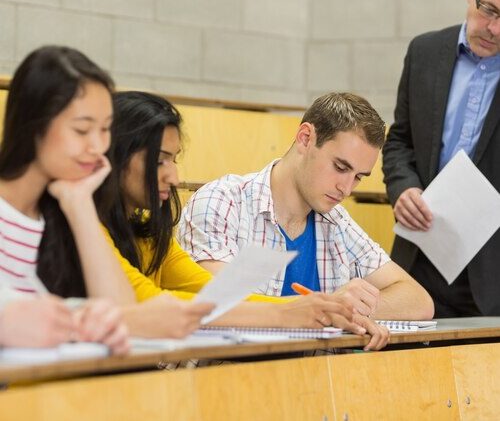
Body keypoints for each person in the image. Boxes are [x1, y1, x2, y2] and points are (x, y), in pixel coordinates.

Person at [101, 91, 388, 350]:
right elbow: (147, 305)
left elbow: (217, 298)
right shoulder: (92, 229)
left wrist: (322, 309)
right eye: (159, 161)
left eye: (174, 160)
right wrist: (299, 312)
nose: (174, 177)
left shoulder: (150, 237)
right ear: (115, 155)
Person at [178, 92, 434, 321]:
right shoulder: (220, 202)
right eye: (340, 167)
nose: (346, 189)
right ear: (305, 138)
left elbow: (419, 301)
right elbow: (220, 303)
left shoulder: (337, 221)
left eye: (358, 177)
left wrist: (348, 310)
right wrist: (327, 307)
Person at [382, 0, 500, 318]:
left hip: (490, 273)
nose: (495, 29)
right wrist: (403, 189)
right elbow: (399, 141)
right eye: (490, 11)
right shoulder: (424, 52)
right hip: (418, 256)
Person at [0, 45, 132, 352]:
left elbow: (123, 317)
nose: (98, 146)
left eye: (105, 129)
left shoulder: (62, 209)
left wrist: (80, 204)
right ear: (34, 125)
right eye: (82, 130)